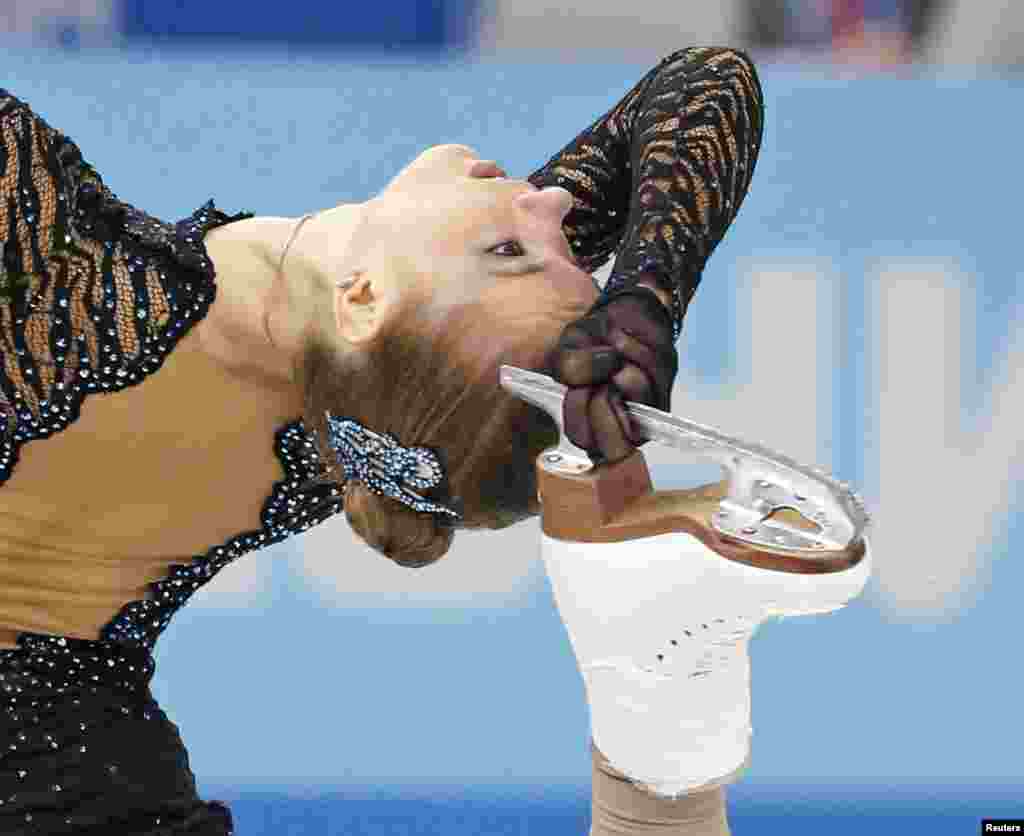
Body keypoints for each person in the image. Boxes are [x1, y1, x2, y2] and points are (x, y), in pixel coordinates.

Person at [0, 45, 763, 834]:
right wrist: (647, 294)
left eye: (511, 254)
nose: (550, 210)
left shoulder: (44, 246)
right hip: (75, 765)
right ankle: (655, 755)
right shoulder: (365, 423)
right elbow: (703, 85)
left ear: (364, 300)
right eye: (550, 251)